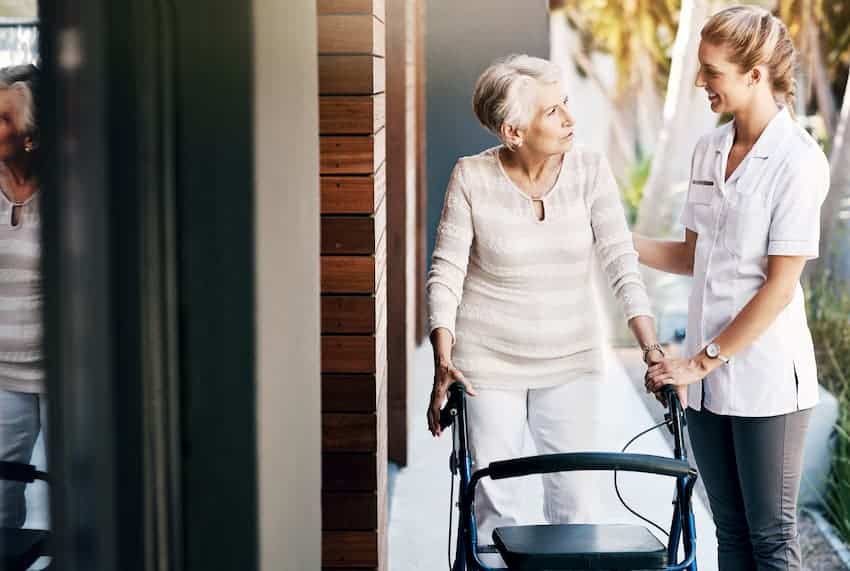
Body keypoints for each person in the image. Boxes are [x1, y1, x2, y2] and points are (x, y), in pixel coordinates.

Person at [426, 54, 664, 551]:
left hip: (571, 356)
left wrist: (651, 348)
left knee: (575, 502)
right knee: (496, 503)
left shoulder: (589, 170)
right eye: (553, 111)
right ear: (514, 131)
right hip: (486, 363)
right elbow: (445, 273)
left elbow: (620, 259)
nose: (570, 120)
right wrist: (443, 360)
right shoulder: (471, 178)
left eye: (567, 105)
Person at [635, 7, 828, 569]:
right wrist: (615, 240)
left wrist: (699, 362)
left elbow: (779, 286)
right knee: (731, 534)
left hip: (766, 379)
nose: (700, 82)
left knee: (770, 539)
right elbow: (692, 255)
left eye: (711, 71)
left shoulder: (797, 161)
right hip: (709, 382)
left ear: (755, 74)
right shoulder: (708, 151)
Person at [0, 64, 44, 528]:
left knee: (83, 492)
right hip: (1, 374)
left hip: (67, 375)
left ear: (30, 135)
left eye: (2, 118)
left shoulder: (73, 191)